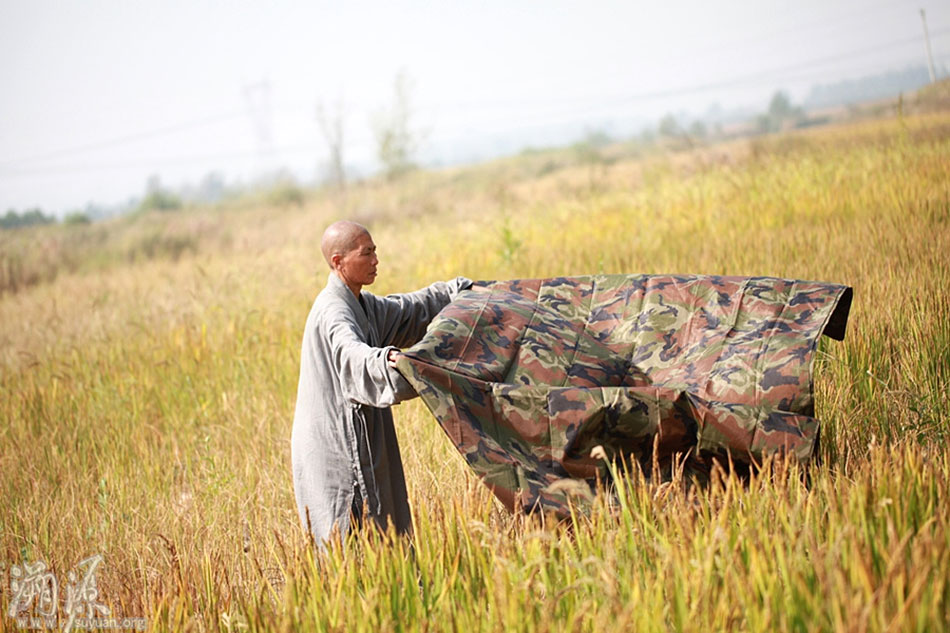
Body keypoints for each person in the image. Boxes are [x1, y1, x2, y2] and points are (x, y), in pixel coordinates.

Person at [291, 220, 472, 547]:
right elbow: (355, 357)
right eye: (367, 253)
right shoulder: (334, 312)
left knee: (385, 543)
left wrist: (463, 293)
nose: (376, 260)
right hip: (337, 451)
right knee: (351, 549)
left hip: (360, 439)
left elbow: (411, 310)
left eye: (375, 252)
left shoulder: (363, 304)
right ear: (338, 262)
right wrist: (400, 364)